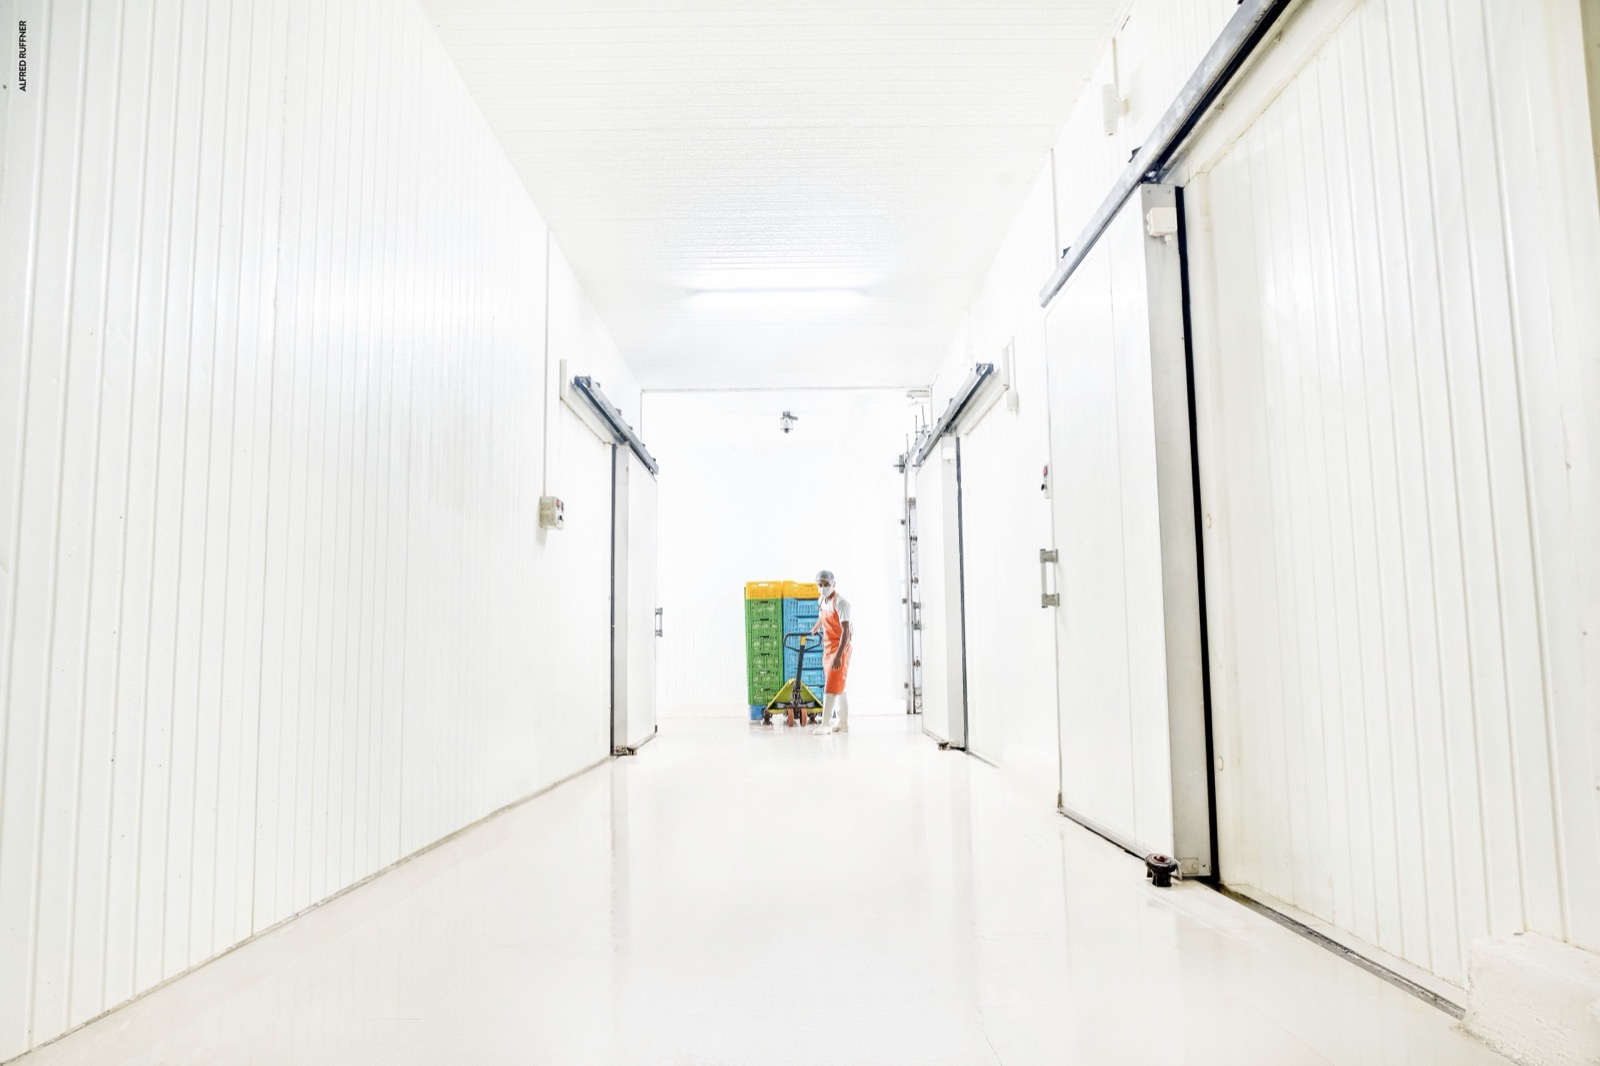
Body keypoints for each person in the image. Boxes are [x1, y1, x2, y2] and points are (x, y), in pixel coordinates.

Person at [810, 570, 851, 735]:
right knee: (840, 687)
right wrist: (815, 627)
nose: (823, 588)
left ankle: (826, 723)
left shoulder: (840, 603)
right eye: (820, 585)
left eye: (826, 584)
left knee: (831, 686)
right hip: (828, 647)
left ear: (833, 584)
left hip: (840, 646)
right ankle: (843, 722)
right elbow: (822, 616)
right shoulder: (822, 600)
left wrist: (839, 655)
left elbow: (846, 631)